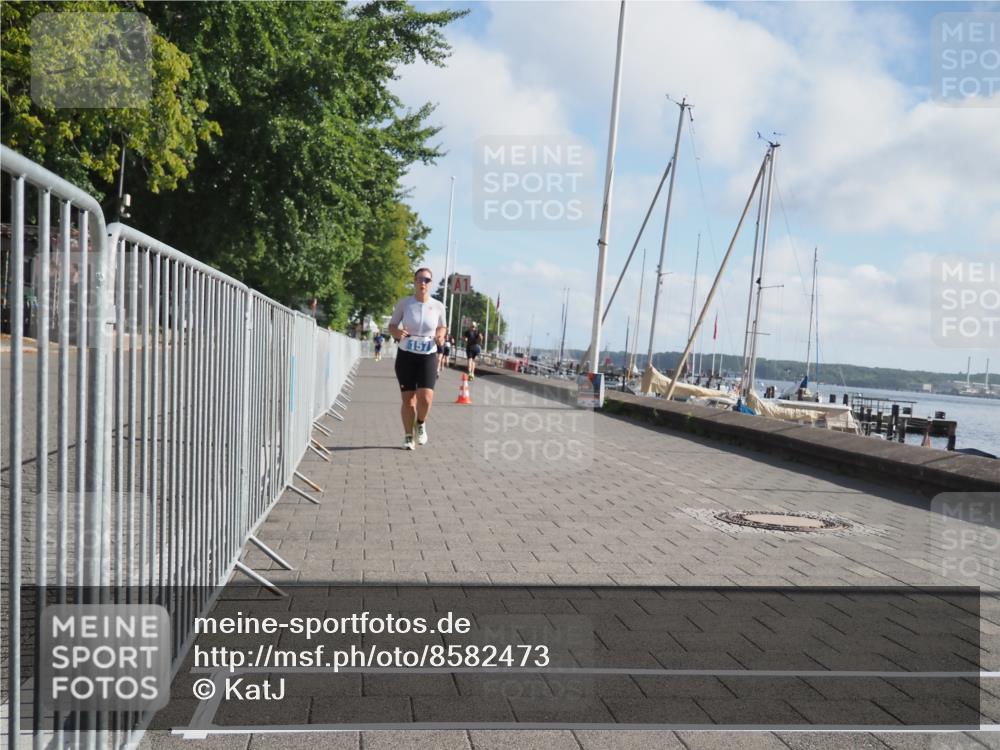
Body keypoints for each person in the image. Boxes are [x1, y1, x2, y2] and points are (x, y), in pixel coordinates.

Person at [388, 268, 447, 450]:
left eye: (427, 280)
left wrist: (440, 335)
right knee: (409, 400)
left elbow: (442, 327)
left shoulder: (438, 306)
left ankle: (420, 423)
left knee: (426, 398)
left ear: (431, 283)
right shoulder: (405, 303)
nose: (423, 283)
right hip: (406, 354)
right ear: (414, 281)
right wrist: (398, 332)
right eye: (420, 279)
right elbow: (392, 326)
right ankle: (408, 436)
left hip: (428, 355)